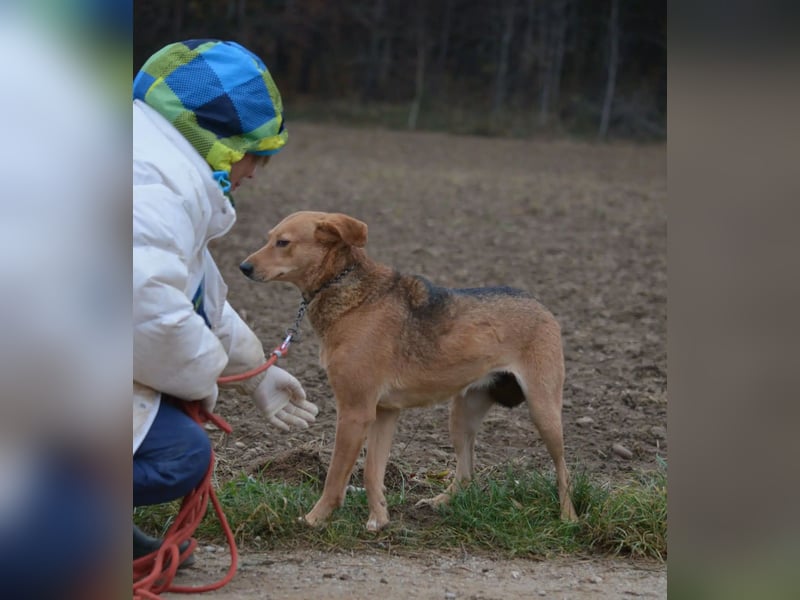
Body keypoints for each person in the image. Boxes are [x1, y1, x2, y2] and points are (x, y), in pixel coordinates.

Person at [132, 39, 318, 562]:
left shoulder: (147, 160)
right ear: (220, 145)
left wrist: (255, 371)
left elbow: (194, 294)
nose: (255, 172)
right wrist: (207, 380)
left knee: (157, 415)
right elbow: (149, 310)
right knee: (179, 452)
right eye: (255, 156)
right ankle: (47, 528)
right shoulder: (154, 188)